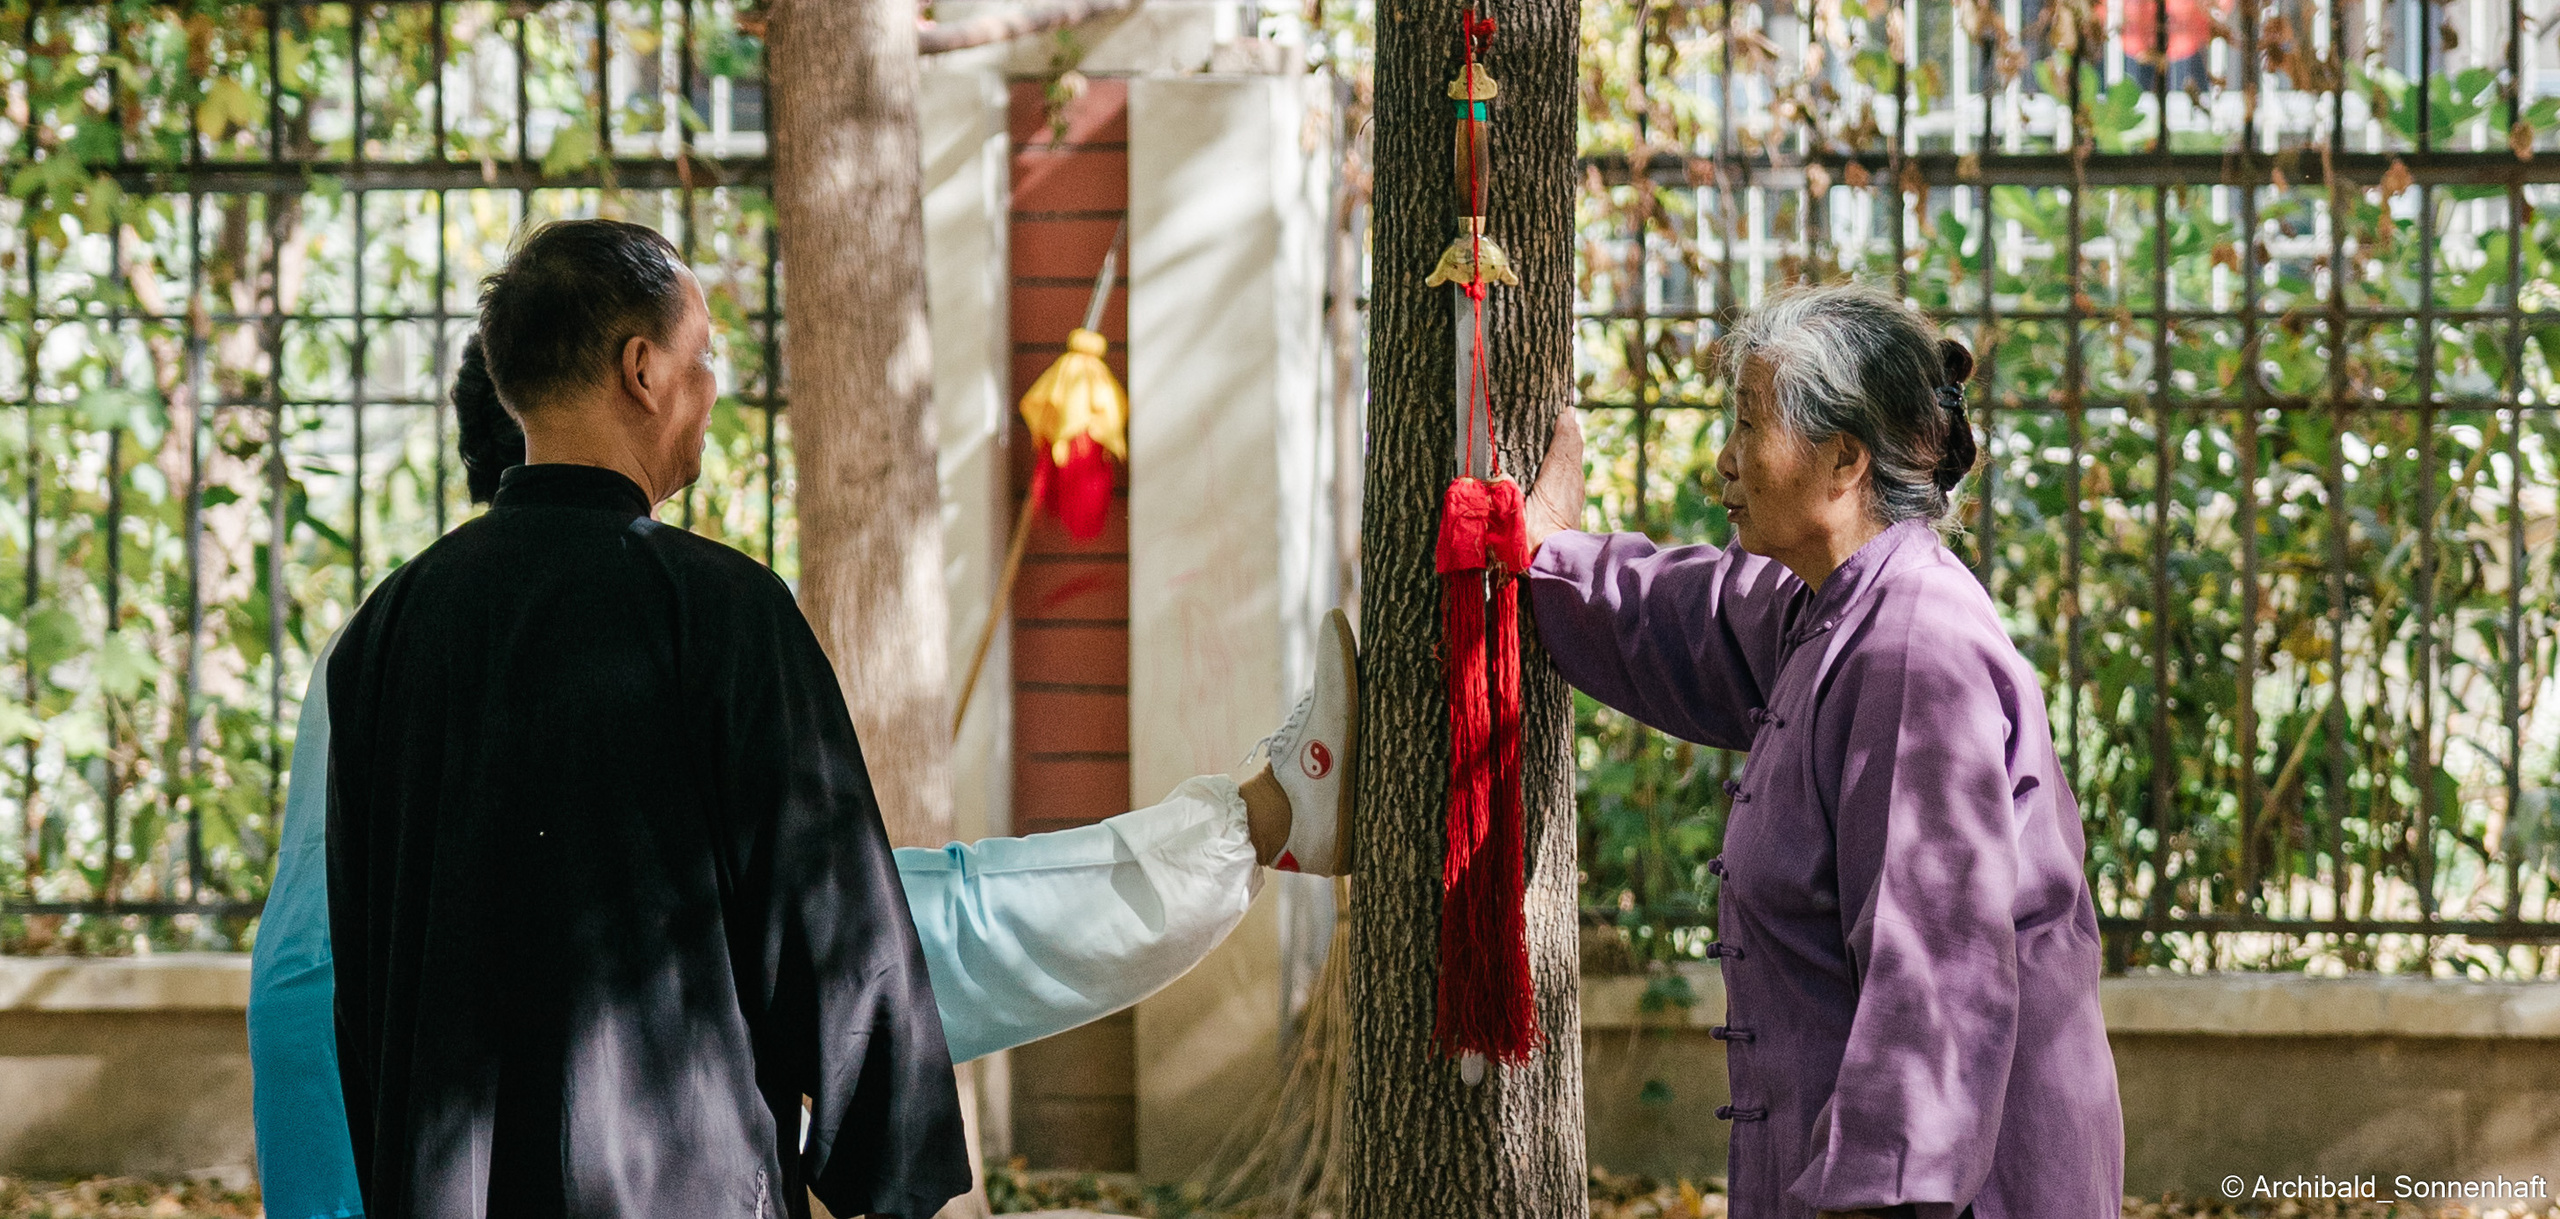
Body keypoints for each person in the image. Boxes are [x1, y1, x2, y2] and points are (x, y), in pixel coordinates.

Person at [277, 217, 1357, 1219]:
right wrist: (890, 1172)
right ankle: (1262, 818)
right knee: (972, 909)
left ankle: (1257, 818)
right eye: (701, 360)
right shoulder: (719, 610)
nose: (713, 388)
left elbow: (360, 952)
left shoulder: (384, 634)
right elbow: (830, 918)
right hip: (675, 1168)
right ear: (639, 372)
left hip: (451, 1177)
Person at [1519, 284, 2122, 1219]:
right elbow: (1695, 620)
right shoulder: (1831, 602)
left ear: (1844, 459)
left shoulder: (1914, 647)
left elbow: (1933, 981)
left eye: (1749, 423)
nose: (1724, 460)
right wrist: (1545, 556)